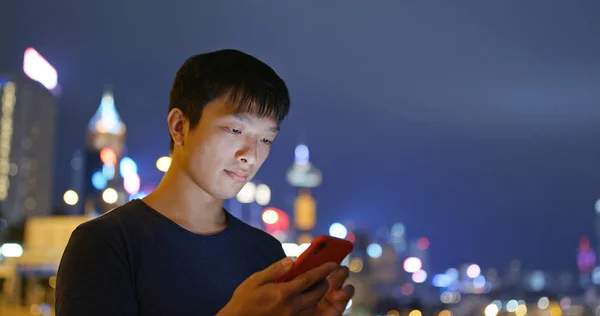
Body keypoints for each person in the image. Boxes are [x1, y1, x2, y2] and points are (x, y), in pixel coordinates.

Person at [55, 49, 354, 316]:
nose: (250, 155)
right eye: (235, 129)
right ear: (179, 127)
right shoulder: (105, 245)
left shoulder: (265, 253)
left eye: (265, 139)